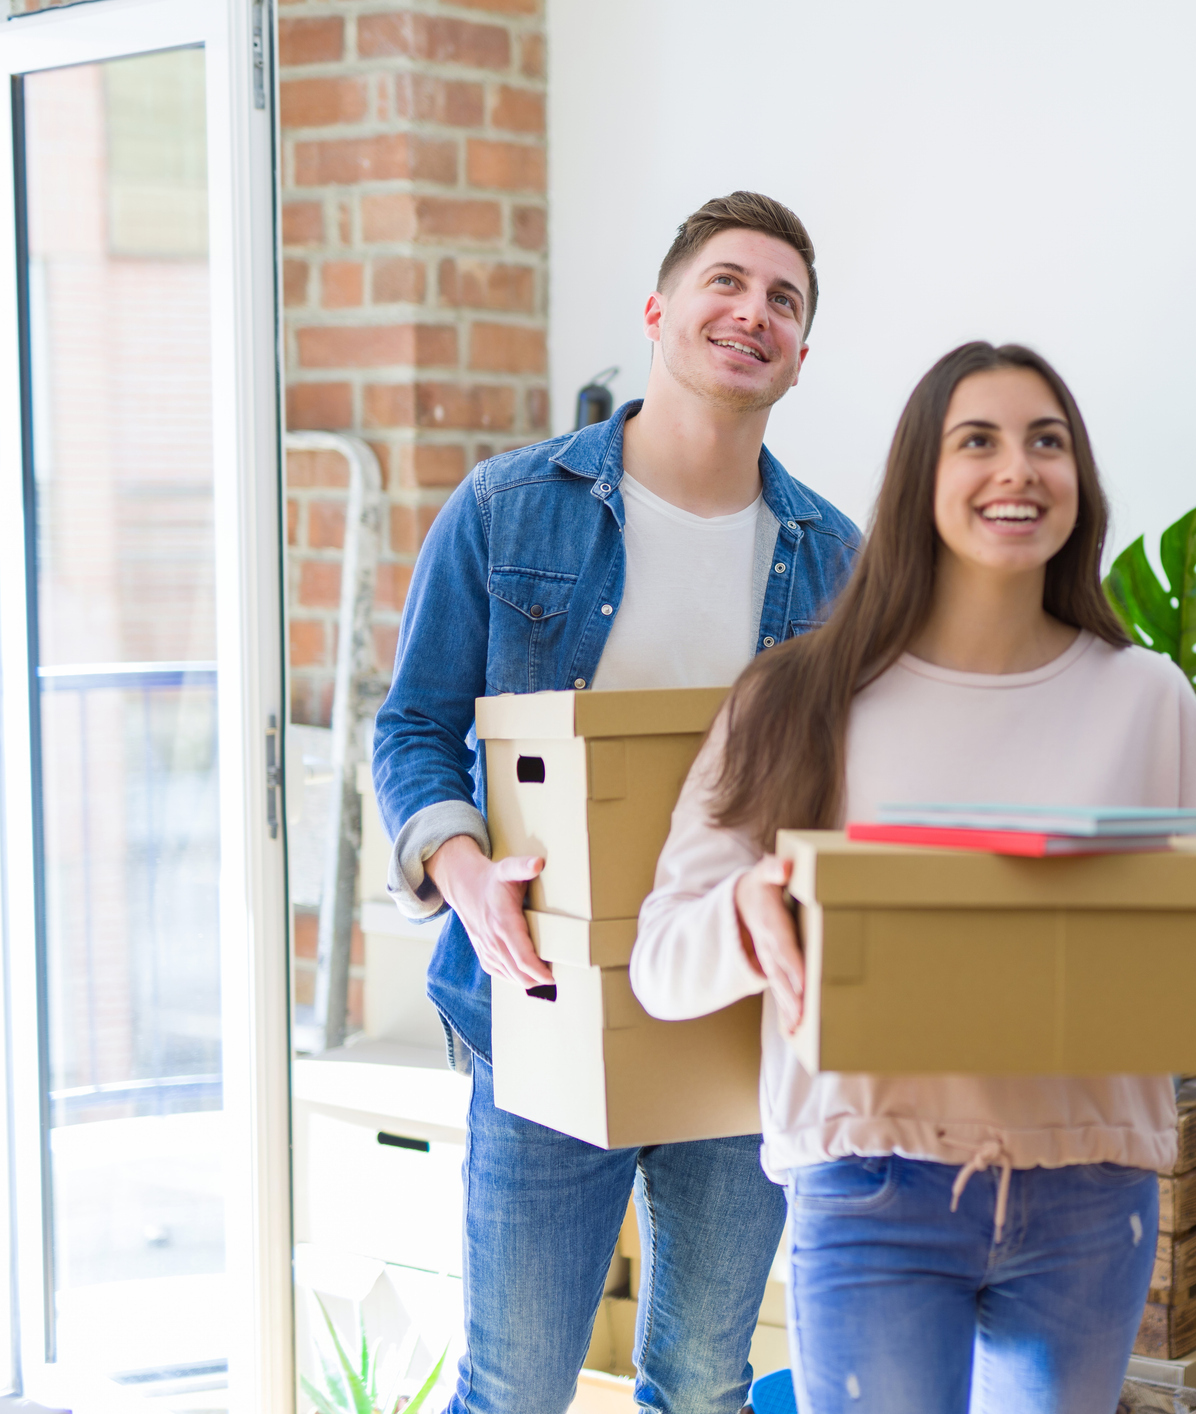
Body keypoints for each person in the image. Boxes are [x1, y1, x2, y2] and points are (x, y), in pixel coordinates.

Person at [630, 342, 1196, 1414]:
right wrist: (747, 912)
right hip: (869, 1186)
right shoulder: (795, 698)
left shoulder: (1145, 698)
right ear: (920, 478)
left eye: (1044, 442)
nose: (1016, 469)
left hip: (1088, 1191)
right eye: (978, 441)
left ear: (1078, 482)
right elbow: (658, 966)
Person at [369, 191, 860, 1414]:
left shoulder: (838, 560)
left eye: (784, 301)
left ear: (801, 356)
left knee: (702, 1382)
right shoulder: (507, 506)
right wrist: (462, 867)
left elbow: (854, 791)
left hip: (736, 1019)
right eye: (727, 283)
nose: (754, 312)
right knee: (516, 1386)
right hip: (537, 1001)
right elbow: (414, 726)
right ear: (658, 310)